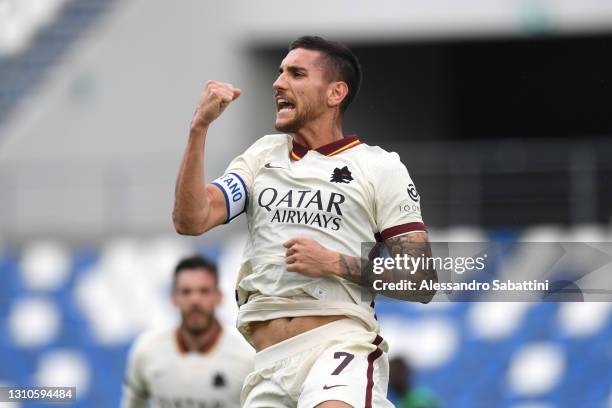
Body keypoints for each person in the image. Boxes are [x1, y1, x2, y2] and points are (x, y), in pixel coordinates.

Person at [173, 35, 437, 408]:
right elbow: (192, 219)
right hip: (267, 363)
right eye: (280, 73)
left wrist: (333, 263)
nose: (278, 83)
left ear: (335, 93)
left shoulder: (379, 167)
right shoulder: (261, 157)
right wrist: (198, 128)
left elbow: (421, 280)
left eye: (296, 74)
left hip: (339, 344)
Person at [121, 256, 253, 408]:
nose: (195, 300)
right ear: (173, 297)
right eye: (186, 292)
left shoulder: (248, 354)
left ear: (219, 296)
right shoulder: (146, 349)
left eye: (204, 291)